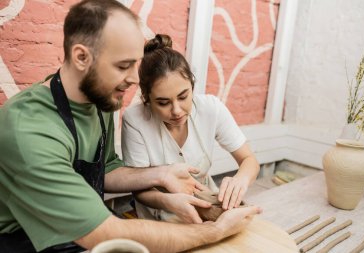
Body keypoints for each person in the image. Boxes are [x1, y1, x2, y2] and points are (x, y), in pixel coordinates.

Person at [0, 1, 261, 252]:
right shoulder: (27, 129)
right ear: (81, 57)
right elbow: (106, 232)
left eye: (135, 64)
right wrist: (216, 230)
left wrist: (162, 174)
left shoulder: (98, 102)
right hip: (26, 240)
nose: (135, 79)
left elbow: (107, 170)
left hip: (77, 232)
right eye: (123, 65)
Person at [121, 34, 261, 224]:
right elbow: (140, 190)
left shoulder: (211, 108)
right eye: (163, 103)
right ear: (146, 97)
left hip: (207, 208)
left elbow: (249, 160)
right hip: (159, 215)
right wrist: (170, 202)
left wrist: (240, 180)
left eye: (183, 96)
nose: (176, 111)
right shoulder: (135, 120)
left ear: (192, 85)